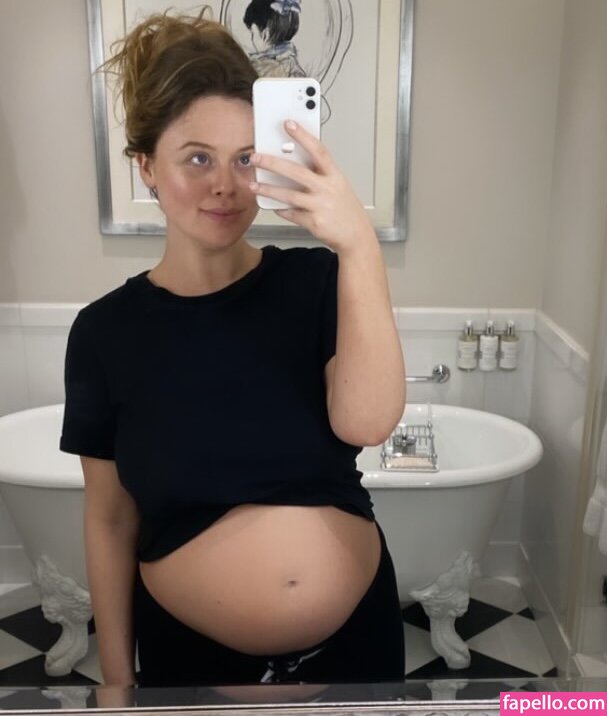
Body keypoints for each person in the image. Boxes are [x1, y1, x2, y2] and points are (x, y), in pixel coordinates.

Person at [60, 10, 406, 689]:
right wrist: (115, 681)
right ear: (146, 167)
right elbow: (110, 519)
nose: (225, 184)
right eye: (197, 158)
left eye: (245, 158)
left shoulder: (318, 282)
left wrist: (358, 245)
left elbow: (367, 423)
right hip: (190, 661)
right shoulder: (104, 333)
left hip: (356, 649)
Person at [243, 0, 306, 77]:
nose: (251, 39)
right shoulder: (294, 67)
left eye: (253, 33)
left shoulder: (258, 70)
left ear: (265, 35)